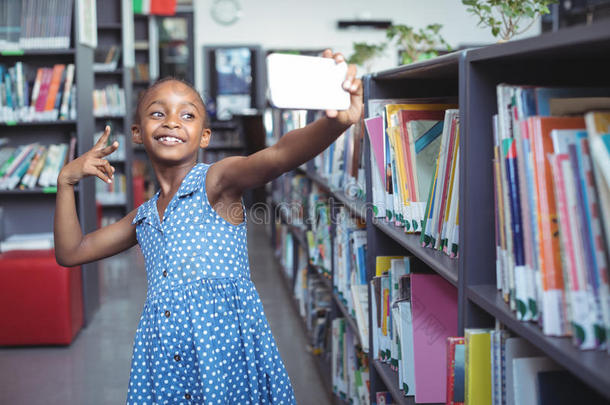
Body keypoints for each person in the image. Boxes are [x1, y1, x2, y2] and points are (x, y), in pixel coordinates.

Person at [54, 49, 362, 404]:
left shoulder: (216, 183)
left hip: (225, 356)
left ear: (204, 136)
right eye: (158, 113)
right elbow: (71, 251)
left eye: (187, 115)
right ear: (137, 132)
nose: (171, 121)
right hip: (166, 363)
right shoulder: (143, 218)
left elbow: (278, 156)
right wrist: (65, 183)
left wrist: (336, 122)